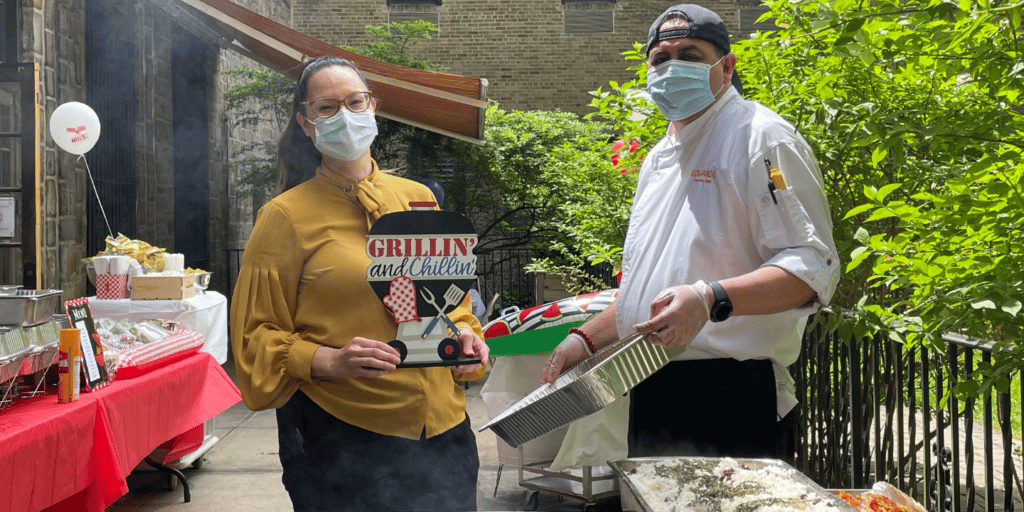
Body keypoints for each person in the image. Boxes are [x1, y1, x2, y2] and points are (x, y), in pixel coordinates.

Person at [542, 4, 839, 462]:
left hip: (733, 393)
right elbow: (656, 286)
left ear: (727, 65)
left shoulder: (761, 138)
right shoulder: (660, 155)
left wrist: (708, 299)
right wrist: (584, 338)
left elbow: (810, 268)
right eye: (661, 58)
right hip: (653, 386)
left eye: (690, 54)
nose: (672, 67)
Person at [230, 55, 489, 512]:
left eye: (355, 101)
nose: (345, 115)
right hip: (345, 440)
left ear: (374, 107)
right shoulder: (284, 218)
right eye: (327, 108)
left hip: (446, 433)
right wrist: (328, 360)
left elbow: (451, 303)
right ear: (306, 124)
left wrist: (468, 336)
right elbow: (253, 340)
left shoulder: (419, 199)